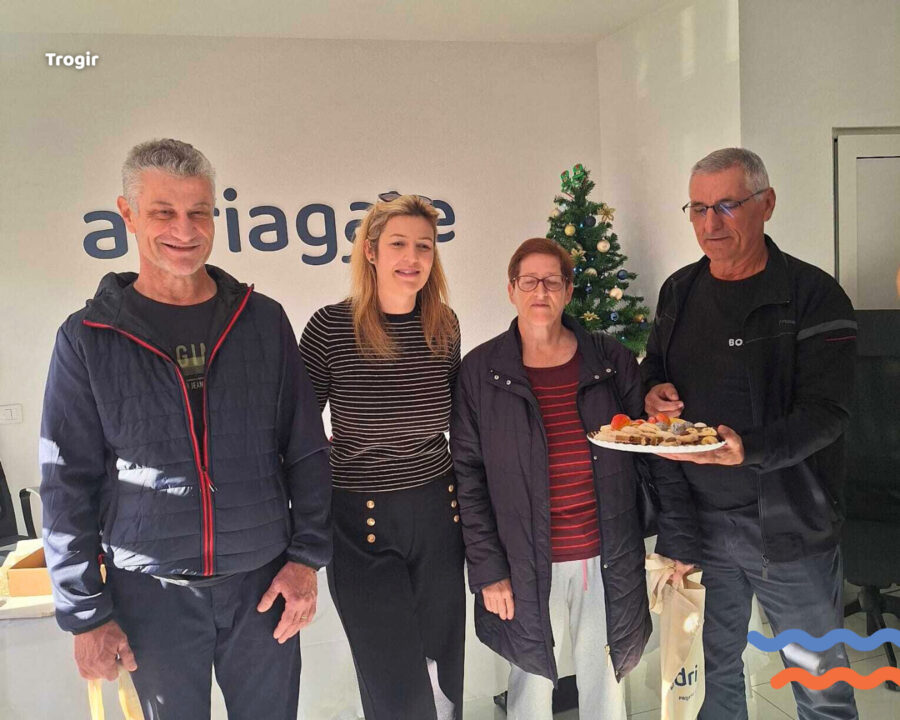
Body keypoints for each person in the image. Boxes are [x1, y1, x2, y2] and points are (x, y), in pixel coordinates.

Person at [40, 138, 332, 720]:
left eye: (199, 211)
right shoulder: (88, 338)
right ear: (127, 215)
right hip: (151, 597)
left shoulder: (262, 320)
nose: (185, 229)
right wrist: (86, 614)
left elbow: (305, 449)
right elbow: (65, 483)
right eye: (163, 212)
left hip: (263, 586)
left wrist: (306, 559)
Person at [642, 147, 859, 720]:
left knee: (820, 688)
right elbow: (654, 366)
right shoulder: (679, 291)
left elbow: (828, 412)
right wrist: (652, 390)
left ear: (767, 204)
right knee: (714, 679)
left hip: (789, 529)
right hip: (703, 529)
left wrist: (750, 450)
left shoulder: (814, 295)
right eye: (698, 208)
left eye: (727, 206)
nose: (710, 224)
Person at [450, 237, 689, 720]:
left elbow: (650, 447)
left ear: (568, 290)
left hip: (606, 552)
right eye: (529, 281)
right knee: (531, 681)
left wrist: (677, 538)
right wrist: (488, 570)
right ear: (511, 289)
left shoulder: (609, 359)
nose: (541, 291)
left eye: (552, 281)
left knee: (606, 678)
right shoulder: (480, 371)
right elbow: (468, 476)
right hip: (522, 558)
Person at [299, 193, 464, 719]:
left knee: (444, 677)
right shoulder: (331, 328)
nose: (412, 257)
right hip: (360, 522)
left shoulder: (444, 325)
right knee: (394, 686)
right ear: (370, 251)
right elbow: (297, 431)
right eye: (398, 244)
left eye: (424, 246)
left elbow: (458, 419)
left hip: (438, 513)